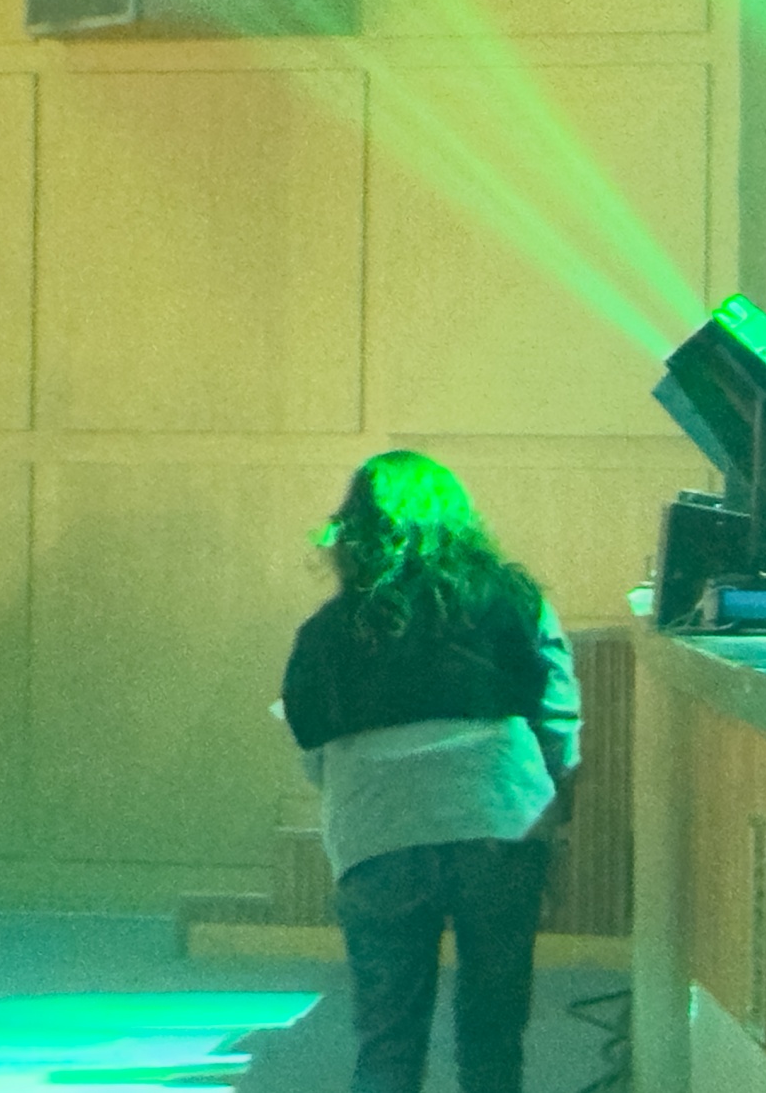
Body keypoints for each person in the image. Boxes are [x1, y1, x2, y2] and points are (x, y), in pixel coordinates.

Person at [282, 451, 581, 1093]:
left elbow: (313, 749)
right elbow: (557, 720)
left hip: (377, 828)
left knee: (387, 1045)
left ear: (356, 528)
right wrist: (555, 814)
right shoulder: (515, 599)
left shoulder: (327, 630)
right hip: (500, 815)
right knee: (493, 1038)